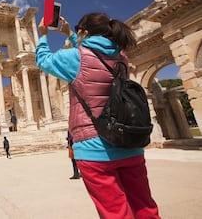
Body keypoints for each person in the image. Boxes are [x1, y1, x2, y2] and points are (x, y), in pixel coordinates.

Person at [36, 12, 159, 218]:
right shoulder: (122, 58)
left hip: (95, 150)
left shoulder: (74, 58)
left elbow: (43, 60)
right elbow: (92, 57)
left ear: (84, 32)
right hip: (129, 145)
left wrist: (42, 35)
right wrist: (72, 36)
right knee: (145, 208)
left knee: (115, 213)